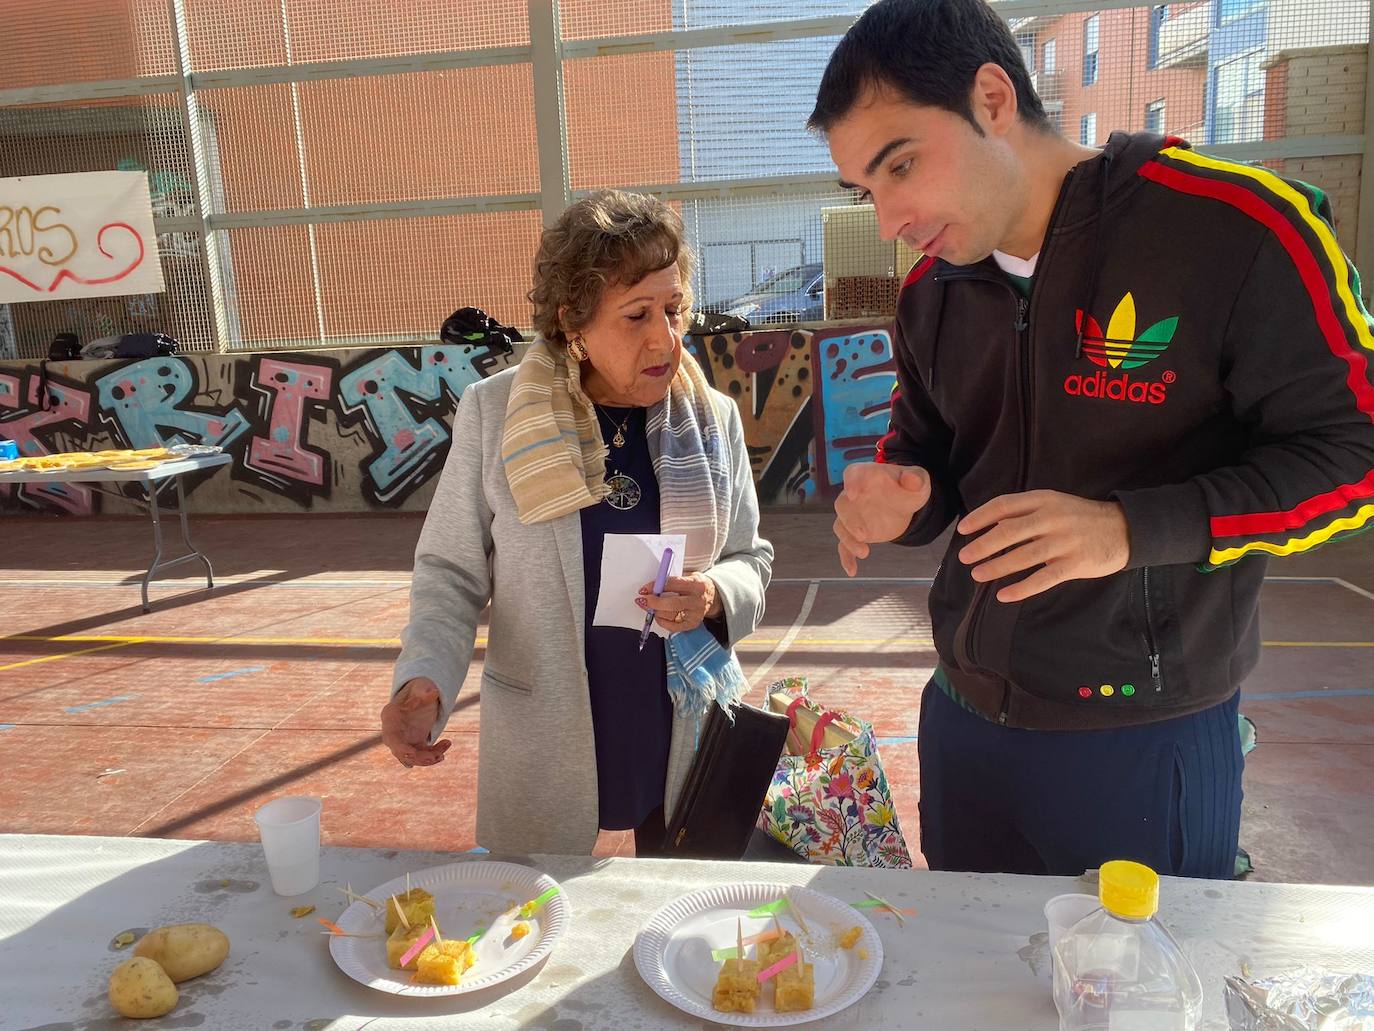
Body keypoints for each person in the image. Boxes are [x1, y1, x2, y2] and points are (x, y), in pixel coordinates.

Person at [815, 0, 1374, 878]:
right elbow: (932, 458)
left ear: (992, 99)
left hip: (1145, 735)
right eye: (866, 188)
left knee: (1139, 1002)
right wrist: (907, 499)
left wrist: (1127, 529)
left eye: (902, 165)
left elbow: (1353, 456)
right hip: (964, 722)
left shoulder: (1237, 231)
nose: (888, 216)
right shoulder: (933, 291)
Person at [380, 190, 773, 856]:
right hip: (547, 736)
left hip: (679, 729)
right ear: (573, 324)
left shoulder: (712, 419)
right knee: (537, 932)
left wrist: (712, 595)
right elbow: (448, 572)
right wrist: (423, 679)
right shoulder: (496, 415)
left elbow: (751, 559)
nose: (666, 338)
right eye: (637, 315)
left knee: (682, 931)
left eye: (675, 309)